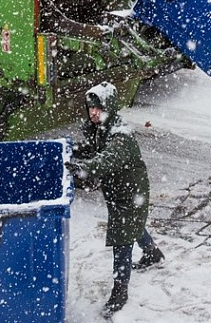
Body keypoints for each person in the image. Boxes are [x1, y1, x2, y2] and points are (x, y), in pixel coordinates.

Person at [65, 81, 166, 317]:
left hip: (131, 193)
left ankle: (120, 292)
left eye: (98, 108)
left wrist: (83, 168)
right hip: (120, 190)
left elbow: (105, 160)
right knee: (133, 225)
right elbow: (93, 150)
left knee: (122, 238)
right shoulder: (102, 127)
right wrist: (74, 153)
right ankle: (152, 253)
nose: (93, 112)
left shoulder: (121, 135)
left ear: (109, 107)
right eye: (90, 108)